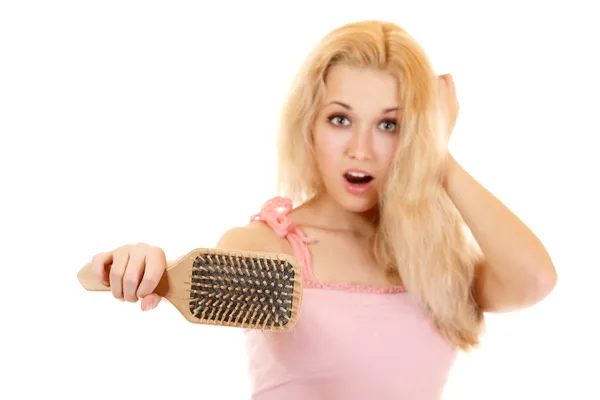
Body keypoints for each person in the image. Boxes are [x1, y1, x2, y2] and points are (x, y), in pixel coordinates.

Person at [89, 20, 557, 399]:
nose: (361, 149)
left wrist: (438, 158)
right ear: (309, 124)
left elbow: (535, 280)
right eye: (340, 119)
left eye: (389, 125)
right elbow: (201, 282)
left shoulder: (437, 262)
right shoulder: (268, 245)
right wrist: (145, 266)